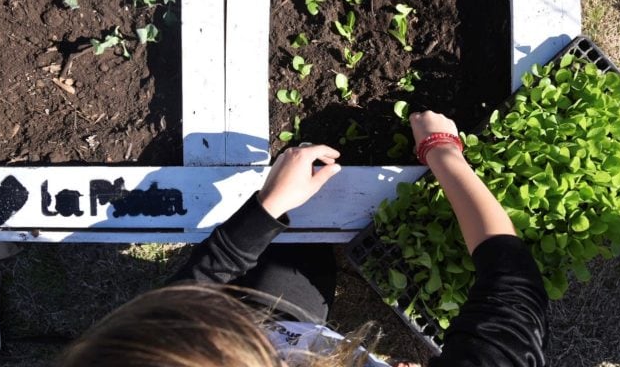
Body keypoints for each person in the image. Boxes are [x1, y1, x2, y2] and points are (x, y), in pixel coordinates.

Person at [57, 111, 548, 366]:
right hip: (289, 324)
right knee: (304, 256)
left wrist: (266, 208)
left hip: (272, 321)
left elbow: (176, 308)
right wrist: (443, 151)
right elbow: (513, 288)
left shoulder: (157, 349)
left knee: (296, 251)